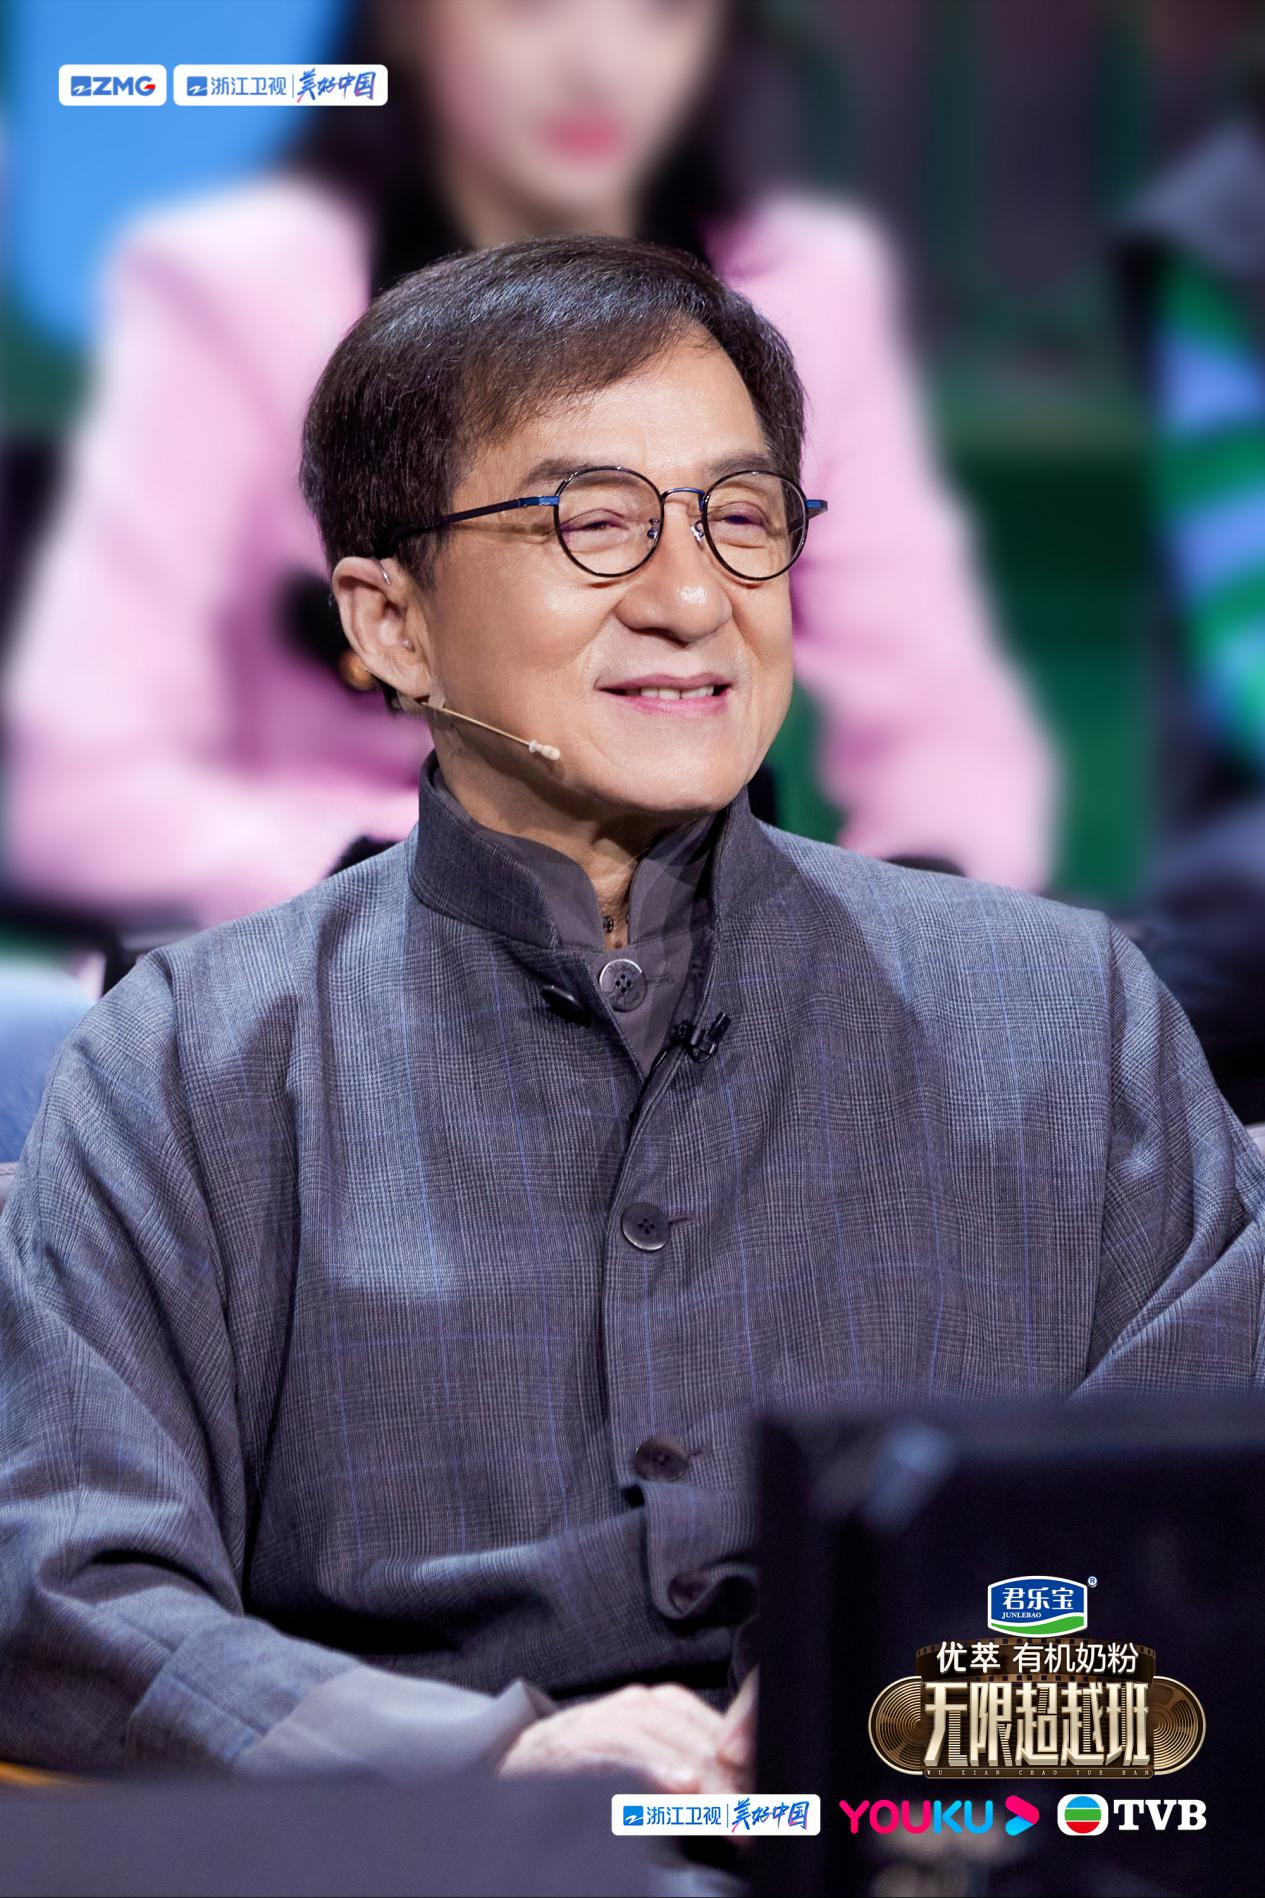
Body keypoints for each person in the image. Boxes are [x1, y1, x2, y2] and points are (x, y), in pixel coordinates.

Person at [1, 236, 1257, 1794]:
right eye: (591, 524)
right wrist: (484, 1757)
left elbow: (1211, 1489)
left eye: (743, 518)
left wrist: (908, 1691)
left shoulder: (1065, 1018)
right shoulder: (194, 1064)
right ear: (390, 622)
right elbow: (62, 1586)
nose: (690, 596)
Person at [1, 0, 1052, 929]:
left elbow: (943, 729)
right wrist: (416, 882)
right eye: (529, 5)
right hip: (341, 938)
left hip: (705, 955)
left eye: (660, 9)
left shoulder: (804, 289)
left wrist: (909, 929)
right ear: (407, 18)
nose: (596, 63)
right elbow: (70, 781)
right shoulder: (236, 289)